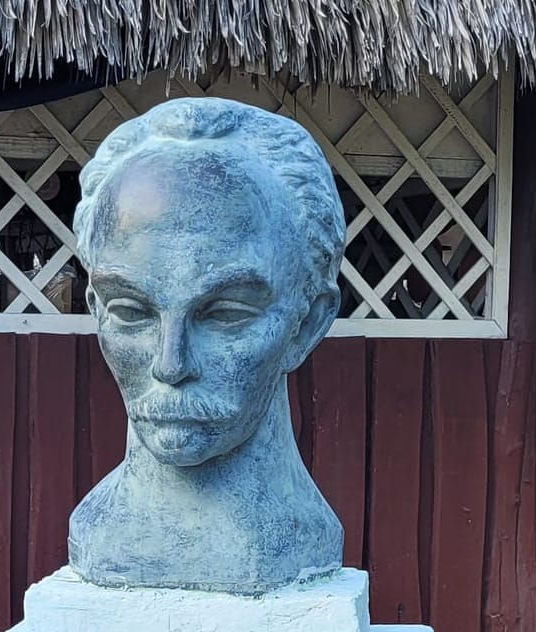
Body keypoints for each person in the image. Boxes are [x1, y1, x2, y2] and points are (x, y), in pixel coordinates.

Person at [67, 97, 345, 595]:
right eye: (131, 312)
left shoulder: (300, 542)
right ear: (95, 309)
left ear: (308, 324)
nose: (170, 364)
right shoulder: (100, 533)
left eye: (225, 315)